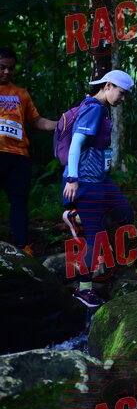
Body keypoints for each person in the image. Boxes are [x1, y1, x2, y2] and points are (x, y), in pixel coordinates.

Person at [62, 70, 135, 307]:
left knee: (125, 214)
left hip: (100, 179)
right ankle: (83, 290)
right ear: (108, 86)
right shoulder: (93, 109)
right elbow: (76, 144)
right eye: (121, 93)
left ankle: (78, 217)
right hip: (84, 180)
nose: (122, 99)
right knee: (97, 238)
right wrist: (73, 178)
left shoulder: (101, 110)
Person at [0, 47, 57, 255]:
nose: (7, 72)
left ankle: (23, 248)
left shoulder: (21, 93)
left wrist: (61, 123)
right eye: (2, 67)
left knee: (19, 202)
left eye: (11, 68)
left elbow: (37, 121)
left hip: (18, 156)